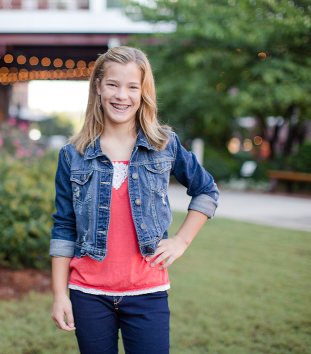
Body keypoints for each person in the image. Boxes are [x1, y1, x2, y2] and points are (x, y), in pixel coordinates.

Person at [49, 46, 219, 353]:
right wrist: (60, 294)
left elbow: (206, 190)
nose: (121, 95)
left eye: (132, 87)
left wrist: (181, 241)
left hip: (148, 293)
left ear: (143, 92)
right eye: (113, 84)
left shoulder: (164, 144)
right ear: (98, 86)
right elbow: (63, 227)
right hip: (87, 294)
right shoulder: (72, 155)